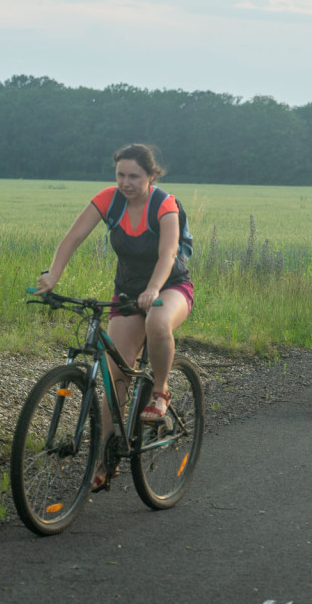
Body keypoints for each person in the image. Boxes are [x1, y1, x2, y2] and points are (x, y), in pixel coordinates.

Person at [36, 143, 193, 490]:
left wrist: (153, 290)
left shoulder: (164, 205)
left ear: (151, 176)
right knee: (114, 377)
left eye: (134, 176)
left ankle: (161, 391)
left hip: (170, 287)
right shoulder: (109, 199)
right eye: (120, 174)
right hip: (126, 293)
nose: (126, 182)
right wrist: (53, 275)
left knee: (157, 321)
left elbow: (168, 255)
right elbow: (73, 237)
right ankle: (105, 460)